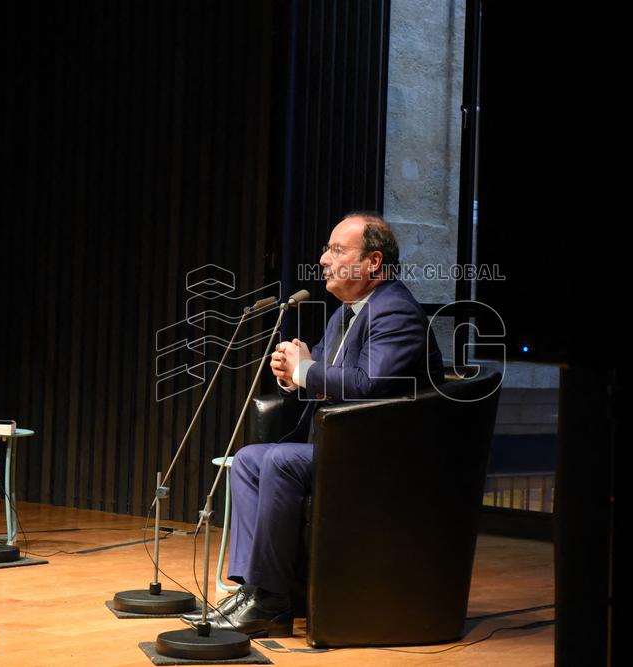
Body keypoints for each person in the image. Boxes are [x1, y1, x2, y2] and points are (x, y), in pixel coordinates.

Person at [184, 212, 443, 636]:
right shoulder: (347, 312)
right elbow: (323, 376)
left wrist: (306, 372)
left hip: (385, 456)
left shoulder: (395, 311)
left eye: (337, 250)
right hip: (346, 444)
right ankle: (256, 592)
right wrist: (293, 376)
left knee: (282, 460)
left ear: (374, 263)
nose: (323, 259)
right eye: (326, 249)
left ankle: (270, 598)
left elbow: (371, 385)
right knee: (250, 459)